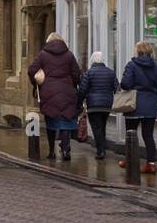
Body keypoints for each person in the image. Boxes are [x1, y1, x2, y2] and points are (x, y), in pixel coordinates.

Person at [28, 33, 82, 161]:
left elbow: (31, 70)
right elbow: (76, 73)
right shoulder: (69, 55)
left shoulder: (43, 55)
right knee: (66, 120)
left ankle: (51, 151)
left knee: (51, 120)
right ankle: (65, 150)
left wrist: (37, 83)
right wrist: (72, 85)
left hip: (49, 91)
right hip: (67, 90)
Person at [119, 41, 157, 174]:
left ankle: (129, 160)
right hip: (150, 106)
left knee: (131, 133)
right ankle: (151, 164)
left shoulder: (132, 65)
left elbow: (125, 83)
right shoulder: (156, 67)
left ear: (138, 51)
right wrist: (154, 99)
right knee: (148, 135)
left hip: (133, 105)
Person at [77, 52, 119, 159]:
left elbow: (82, 90)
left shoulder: (89, 73)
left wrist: (79, 102)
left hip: (93, 105)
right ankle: (102, 148)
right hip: (106, 105)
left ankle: (101, 151)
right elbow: (117, 88)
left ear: (92, 61)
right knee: (102, 126)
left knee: (96, 128)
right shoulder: (111, 73)